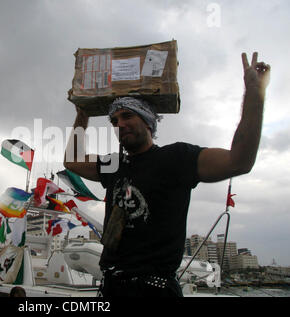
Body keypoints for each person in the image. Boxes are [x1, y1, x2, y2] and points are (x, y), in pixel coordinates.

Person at [63, 52, 270, 297]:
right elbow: (72, 161)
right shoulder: (114, 165)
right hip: (112, 286)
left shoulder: (177, 158)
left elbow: (239, 161)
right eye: (115, 120)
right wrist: (82, 115)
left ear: (149, 122)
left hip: (155, 291)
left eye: (128, 115)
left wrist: (255, 94)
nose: (120, 124)